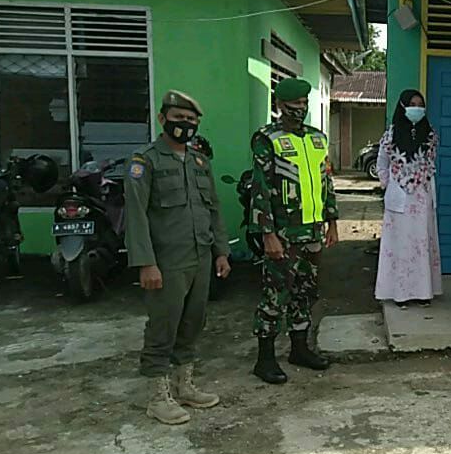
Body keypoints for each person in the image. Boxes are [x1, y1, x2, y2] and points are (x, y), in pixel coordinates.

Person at [125, 90, 231, 425]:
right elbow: (136, 215)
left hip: (200, 257)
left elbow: (213, 208)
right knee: (163, 326)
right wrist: (146, 263)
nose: (184, 126)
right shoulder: (145, 162)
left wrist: (222, 252)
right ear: (162, 120)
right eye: (178, 119)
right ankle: (157, 396)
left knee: (193, 323)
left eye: (191, 121)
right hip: (166, 261)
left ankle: (184, 385)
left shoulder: (200, 161)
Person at [248, 77, 339, 384]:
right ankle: (265, 358)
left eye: (303, 104)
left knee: (305, 292)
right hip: (284, 234)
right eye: (293, 105)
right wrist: (268, 233)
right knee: (276, 294)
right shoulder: (267, 138)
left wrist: (332, 222)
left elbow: (326, 183)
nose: (299, 110)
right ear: (280, 106)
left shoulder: (317, 139)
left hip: (312, 232)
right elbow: (259, 190)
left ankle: (299, 348)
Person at [374, 89, 442, 307]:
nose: (417, 108)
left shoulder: (430, 134)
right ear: (403, 106)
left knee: (422, 243)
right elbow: (381, 164)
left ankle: (423, 293)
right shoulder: (391, 135)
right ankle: (400, 293)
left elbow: (431, 163)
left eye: (420, 104)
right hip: (399, 197)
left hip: (422, 196)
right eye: (412, 104)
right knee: (401, 245)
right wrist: (389, 185)